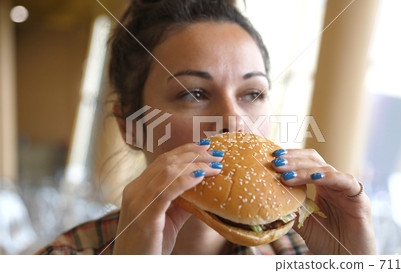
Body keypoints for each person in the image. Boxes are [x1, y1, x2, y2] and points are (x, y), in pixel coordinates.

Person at [37, 0, 376, 255]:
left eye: (253, 93)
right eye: (194, 93)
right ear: (131, 127)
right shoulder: (66, 255)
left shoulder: (304, 252)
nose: (234, 121)